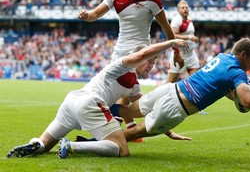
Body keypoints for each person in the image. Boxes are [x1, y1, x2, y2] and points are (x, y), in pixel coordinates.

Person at [6, 39, 189, 159]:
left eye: (154, 62)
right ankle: (73, 146)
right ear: (140, 57)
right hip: (90, 103)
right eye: (151, 60)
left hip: (72, 101)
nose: (152, 65)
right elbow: (141, 54)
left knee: (45, 145)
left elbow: (148, 108)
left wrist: (169, 131)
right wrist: (171, 42)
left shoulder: (134, 85)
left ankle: (36, 144)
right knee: (122, 149)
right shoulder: (122, 64)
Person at [78, 0, 184, 138]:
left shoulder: (152, 0)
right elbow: (95, 14)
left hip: (141, 53)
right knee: (120, 91)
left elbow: (166, 27)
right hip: (120, 52)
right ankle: (126, 129)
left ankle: (120, 130)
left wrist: (176, 52)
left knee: (129, 91)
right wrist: (86, 15)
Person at [110, 38, 250, 142]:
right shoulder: (237, 72)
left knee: (125, 110)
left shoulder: (221, 58)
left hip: (171, 89)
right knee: (132, 134)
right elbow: (246, 101)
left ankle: (95, 111)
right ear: (243, 54)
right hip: (176, 107)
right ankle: (91, 143)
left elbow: (227, 91)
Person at [166, 0, 207, 115]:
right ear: (178, 10)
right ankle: (156, 101)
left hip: (190, 54)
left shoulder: (189, 20)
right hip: (180, 54)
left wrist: (192, 38)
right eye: (183, 7)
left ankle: (197, 106)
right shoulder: (177, 20)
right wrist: (189, 37)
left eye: (186, 7)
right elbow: (172, 35)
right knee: (170, 82)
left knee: (196, 80)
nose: (185, 9)